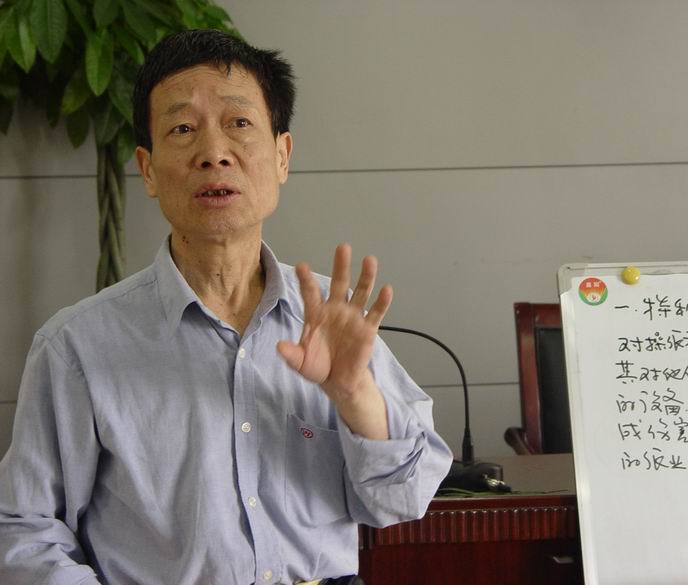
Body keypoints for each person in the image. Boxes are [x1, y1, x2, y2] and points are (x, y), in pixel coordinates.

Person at [0, 29, 452, 585]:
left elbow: (403, 502)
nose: (214, 152)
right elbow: (23, 528)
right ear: (147, 168)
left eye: (238, 123)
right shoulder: (77, 347)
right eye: (182, 129)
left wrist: (356, 396)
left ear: (282, 156)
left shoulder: (334, 325)